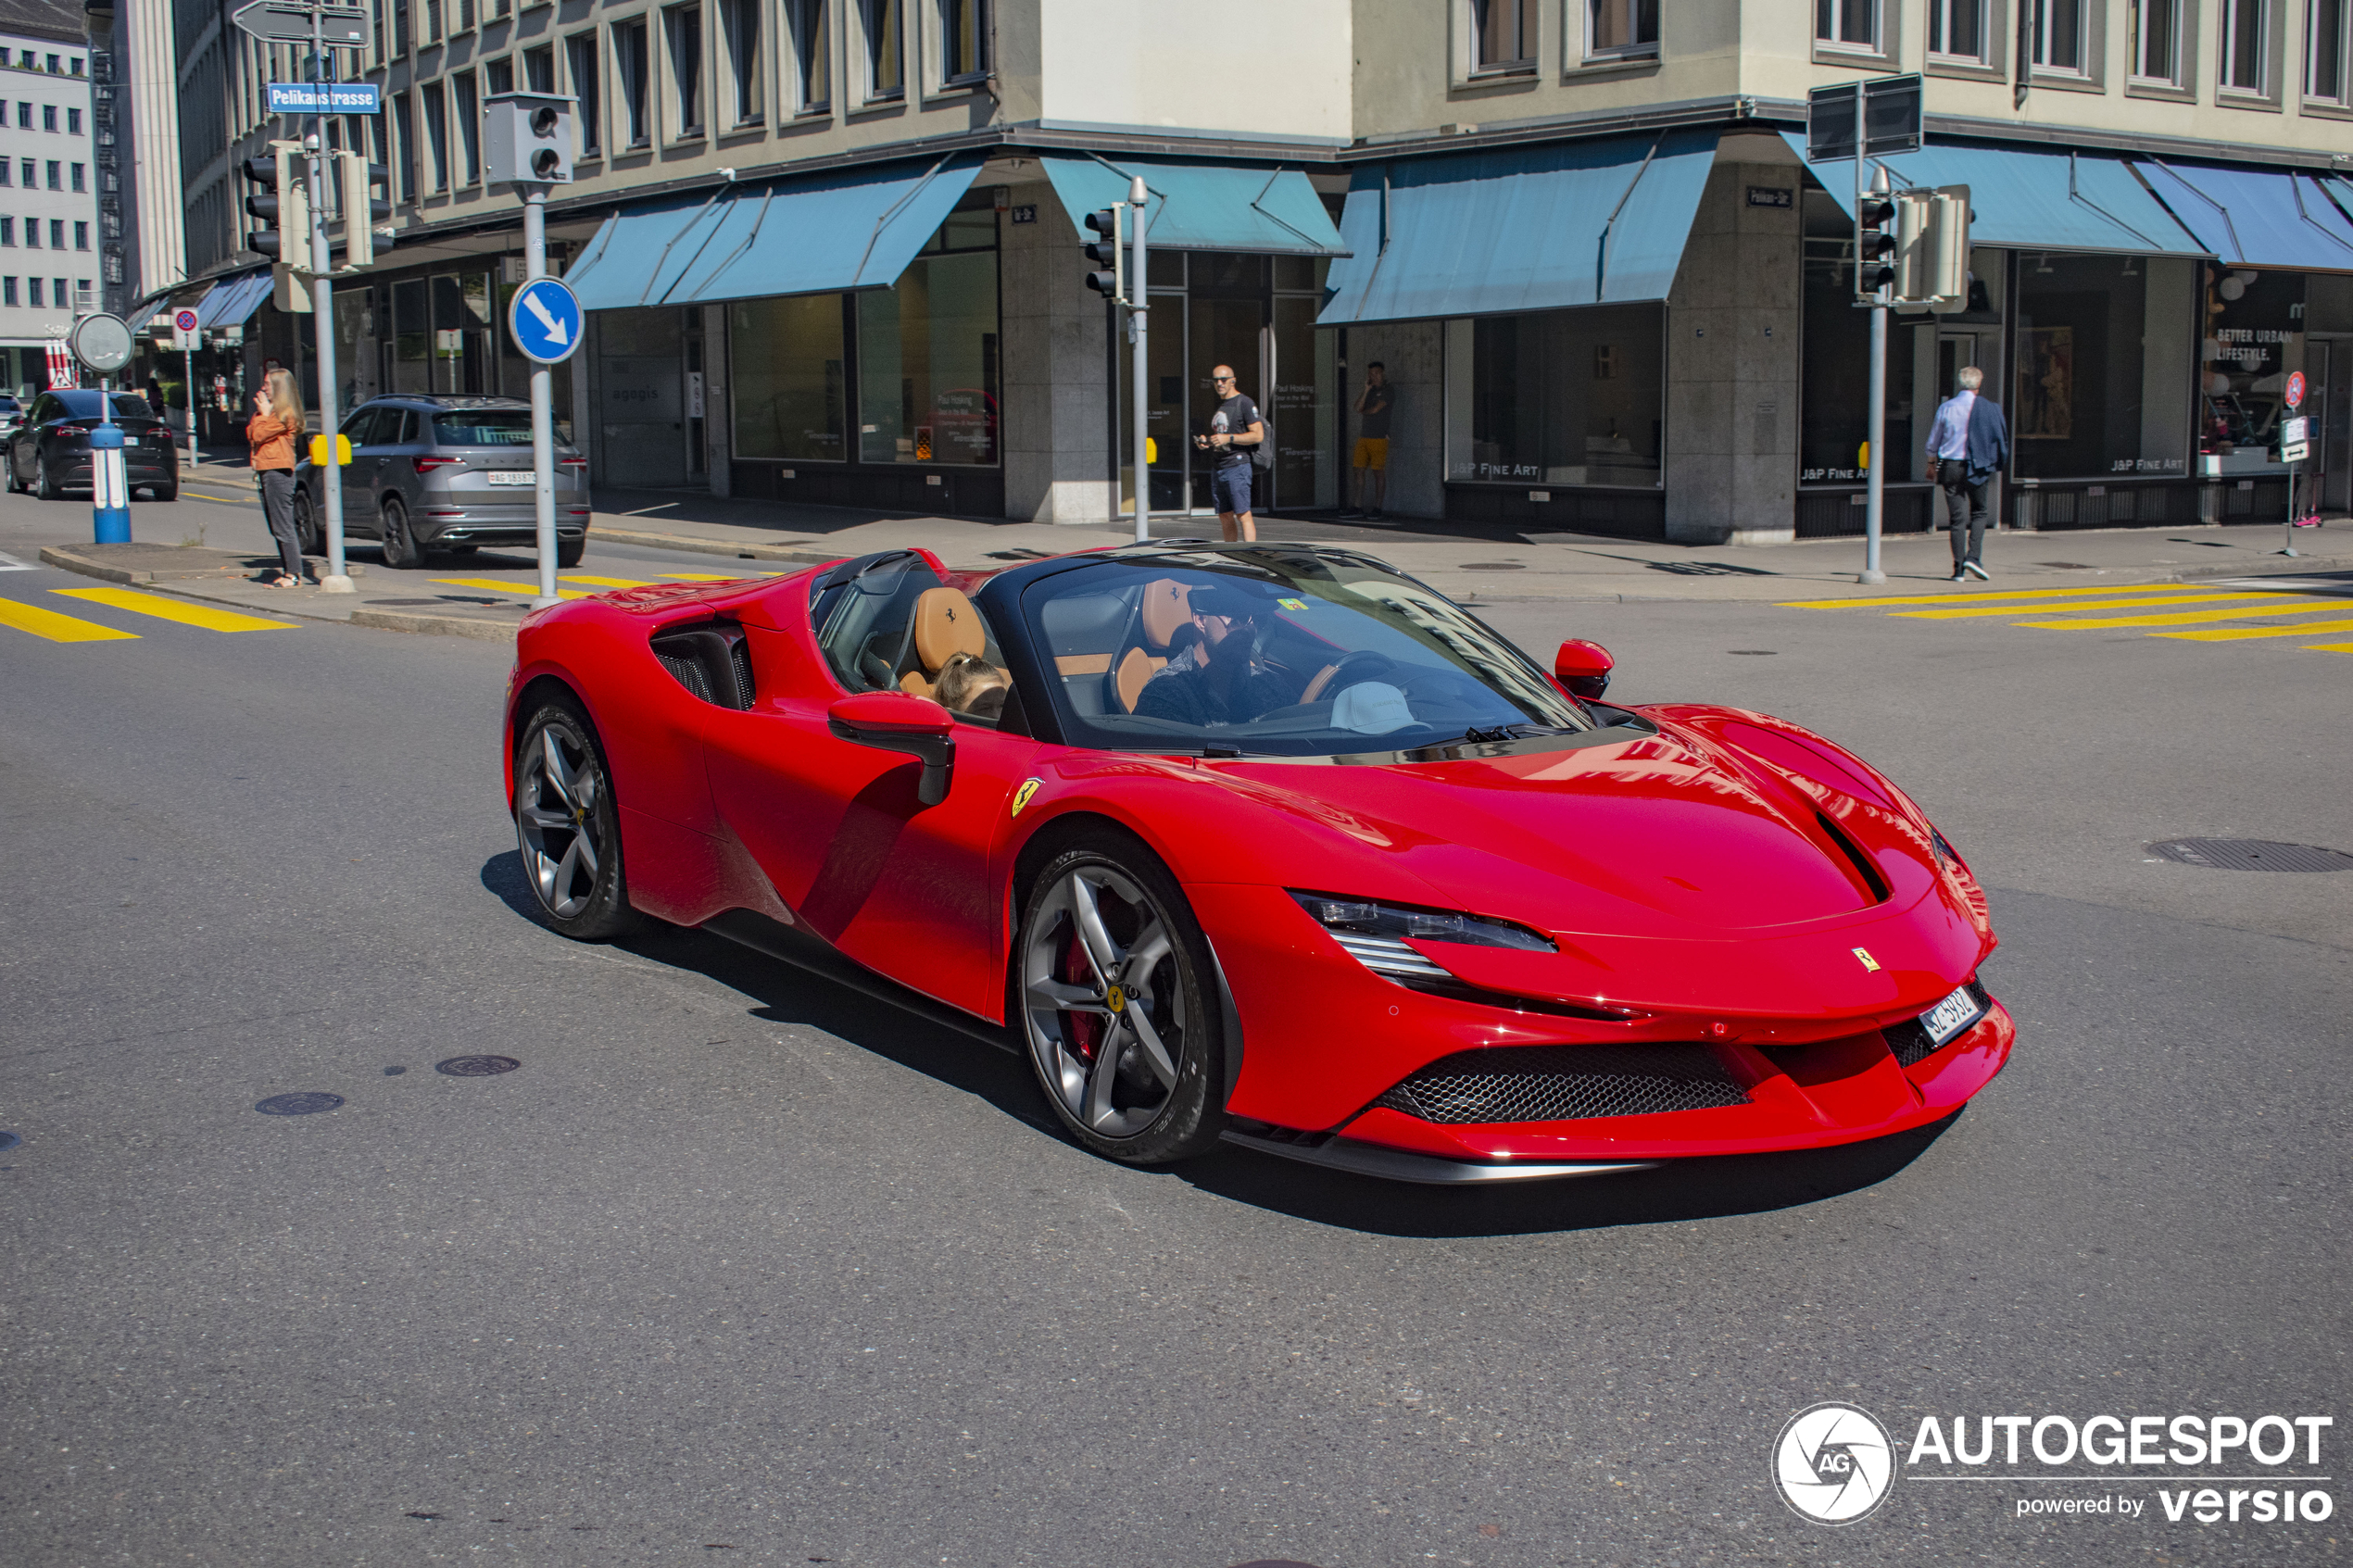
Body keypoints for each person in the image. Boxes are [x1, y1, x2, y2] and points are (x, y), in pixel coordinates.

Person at [1134, 584, 1303, 729]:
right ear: (1200, 620)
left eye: (1258, 619)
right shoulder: (1166, 693)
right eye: (1238, 617)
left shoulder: (1271, 683)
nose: (1251, 629)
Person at [1924, 365, 2011, 583]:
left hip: (1950, 465)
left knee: (1957, 519)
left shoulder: (1947, 407)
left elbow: (1934, 440)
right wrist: (1998, 462)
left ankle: (1958, 571)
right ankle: (1974, 557)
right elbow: (2001, 439)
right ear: (1979, 384)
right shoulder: (1991, 409)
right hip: (1978, 465)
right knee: (1980, 511)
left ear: (1960, 383)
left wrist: (1930, 463)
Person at [246, 368, 307, 588]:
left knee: (283, 525)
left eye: (267, 384)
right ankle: (288, 571)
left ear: (279, 388)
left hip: (278, 471)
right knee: (275, 526)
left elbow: (259, 433)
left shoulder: (286, 413)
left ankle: (293, 574)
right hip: (266, 470)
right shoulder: (269, 412)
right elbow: (251, 432)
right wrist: (262, 415)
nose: (263, 389)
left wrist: (262, 416)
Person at [1193, 365, 1263, 543]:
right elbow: (1221, 437)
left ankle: (1250, 554)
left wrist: (1229, 438)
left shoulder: (1245, 403)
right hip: (1218, 466)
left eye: (1223, 379)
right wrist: (1206, 442)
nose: (1219, 383)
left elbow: (1257, 434)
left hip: (1237, 466)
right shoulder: (1221, 405)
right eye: (1216, 380)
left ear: (1233, 380)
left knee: (1243, 514)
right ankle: (1230, 553)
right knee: (1224, 515)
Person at [1341, 361, 1391, 520]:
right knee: (1358, 469)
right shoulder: (1370, 392)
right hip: (1364, 436)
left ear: (1383, 373)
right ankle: (1357, 506)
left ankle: (1378, 507)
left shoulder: (1388, 390)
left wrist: (1365, 411)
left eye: (1377, 373)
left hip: (1379, 437)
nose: (1374, 376)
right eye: (1371, 373)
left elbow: (1376, 409)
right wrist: (1366, 390)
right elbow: (1357, 408)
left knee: (1378, 472)